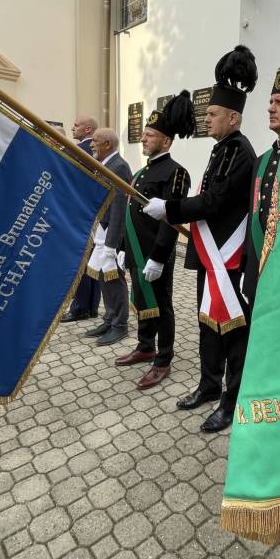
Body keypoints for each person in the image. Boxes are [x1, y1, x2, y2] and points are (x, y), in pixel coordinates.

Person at [142, 45, 258, 433]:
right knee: (208, 325)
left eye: (212, 114)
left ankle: (231, 400)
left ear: (233, 117)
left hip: (229, 259)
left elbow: (214, 201)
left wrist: (170, 208)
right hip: (211, 255)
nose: (205, 119)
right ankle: (208, 386)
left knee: (233, 333)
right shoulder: (221, 149)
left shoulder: (240, 151)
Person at [115, 92, 194, 389]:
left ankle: (163, 359)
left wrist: (159, 258)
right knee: (142, 300)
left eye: (150, 135)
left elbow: (172, 219)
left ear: (166, 141)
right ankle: (145, 345)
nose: (144, 139)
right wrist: (122, 248)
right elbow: (129, 214)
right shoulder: (140, 172)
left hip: (155, 254)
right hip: (136, 251)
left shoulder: (176, 173)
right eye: (144, 134)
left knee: (162, 305)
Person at [242, 65, 280, 307]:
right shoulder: (262, 161)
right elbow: (253, 218)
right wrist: (247, 267)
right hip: (258, 270)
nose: (270, 108)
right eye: (271, 101)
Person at [83, 128, 132, 346]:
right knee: (104, 277)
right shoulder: (107, 164)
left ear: (108, 144)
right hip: (104, 231)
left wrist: (112, 244)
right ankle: (110, 319)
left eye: (95, 141)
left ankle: (120, 325)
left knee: (114, 279)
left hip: (113, 234)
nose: (91, 144)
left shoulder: (118, 166)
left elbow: (119, 208)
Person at [62, 115, 102, 322]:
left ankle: (80, 308)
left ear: (87, 130)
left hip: (76, 214)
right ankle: (92, 306)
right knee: (92, 261)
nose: (72, 128)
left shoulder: (77, 151)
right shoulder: (97, 152)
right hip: (93, 213)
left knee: (80, 262)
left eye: (76, 125)